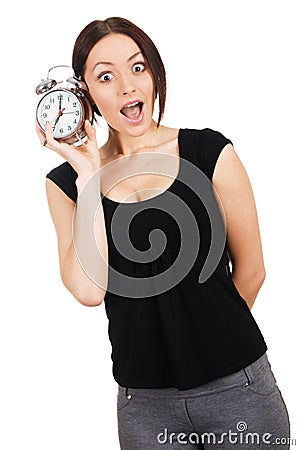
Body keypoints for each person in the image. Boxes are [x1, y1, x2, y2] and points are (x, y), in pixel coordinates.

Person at [36, 17, 290, 450]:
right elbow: (88, 289)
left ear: (155, 72)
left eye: (137, 68)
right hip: (144, 404)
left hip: (238, 390)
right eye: (105, 77)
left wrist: (206, 345)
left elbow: (252, 270)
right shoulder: (66, 185)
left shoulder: (209, 152)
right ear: (85, 93)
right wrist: (88, 175)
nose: (127, 88)